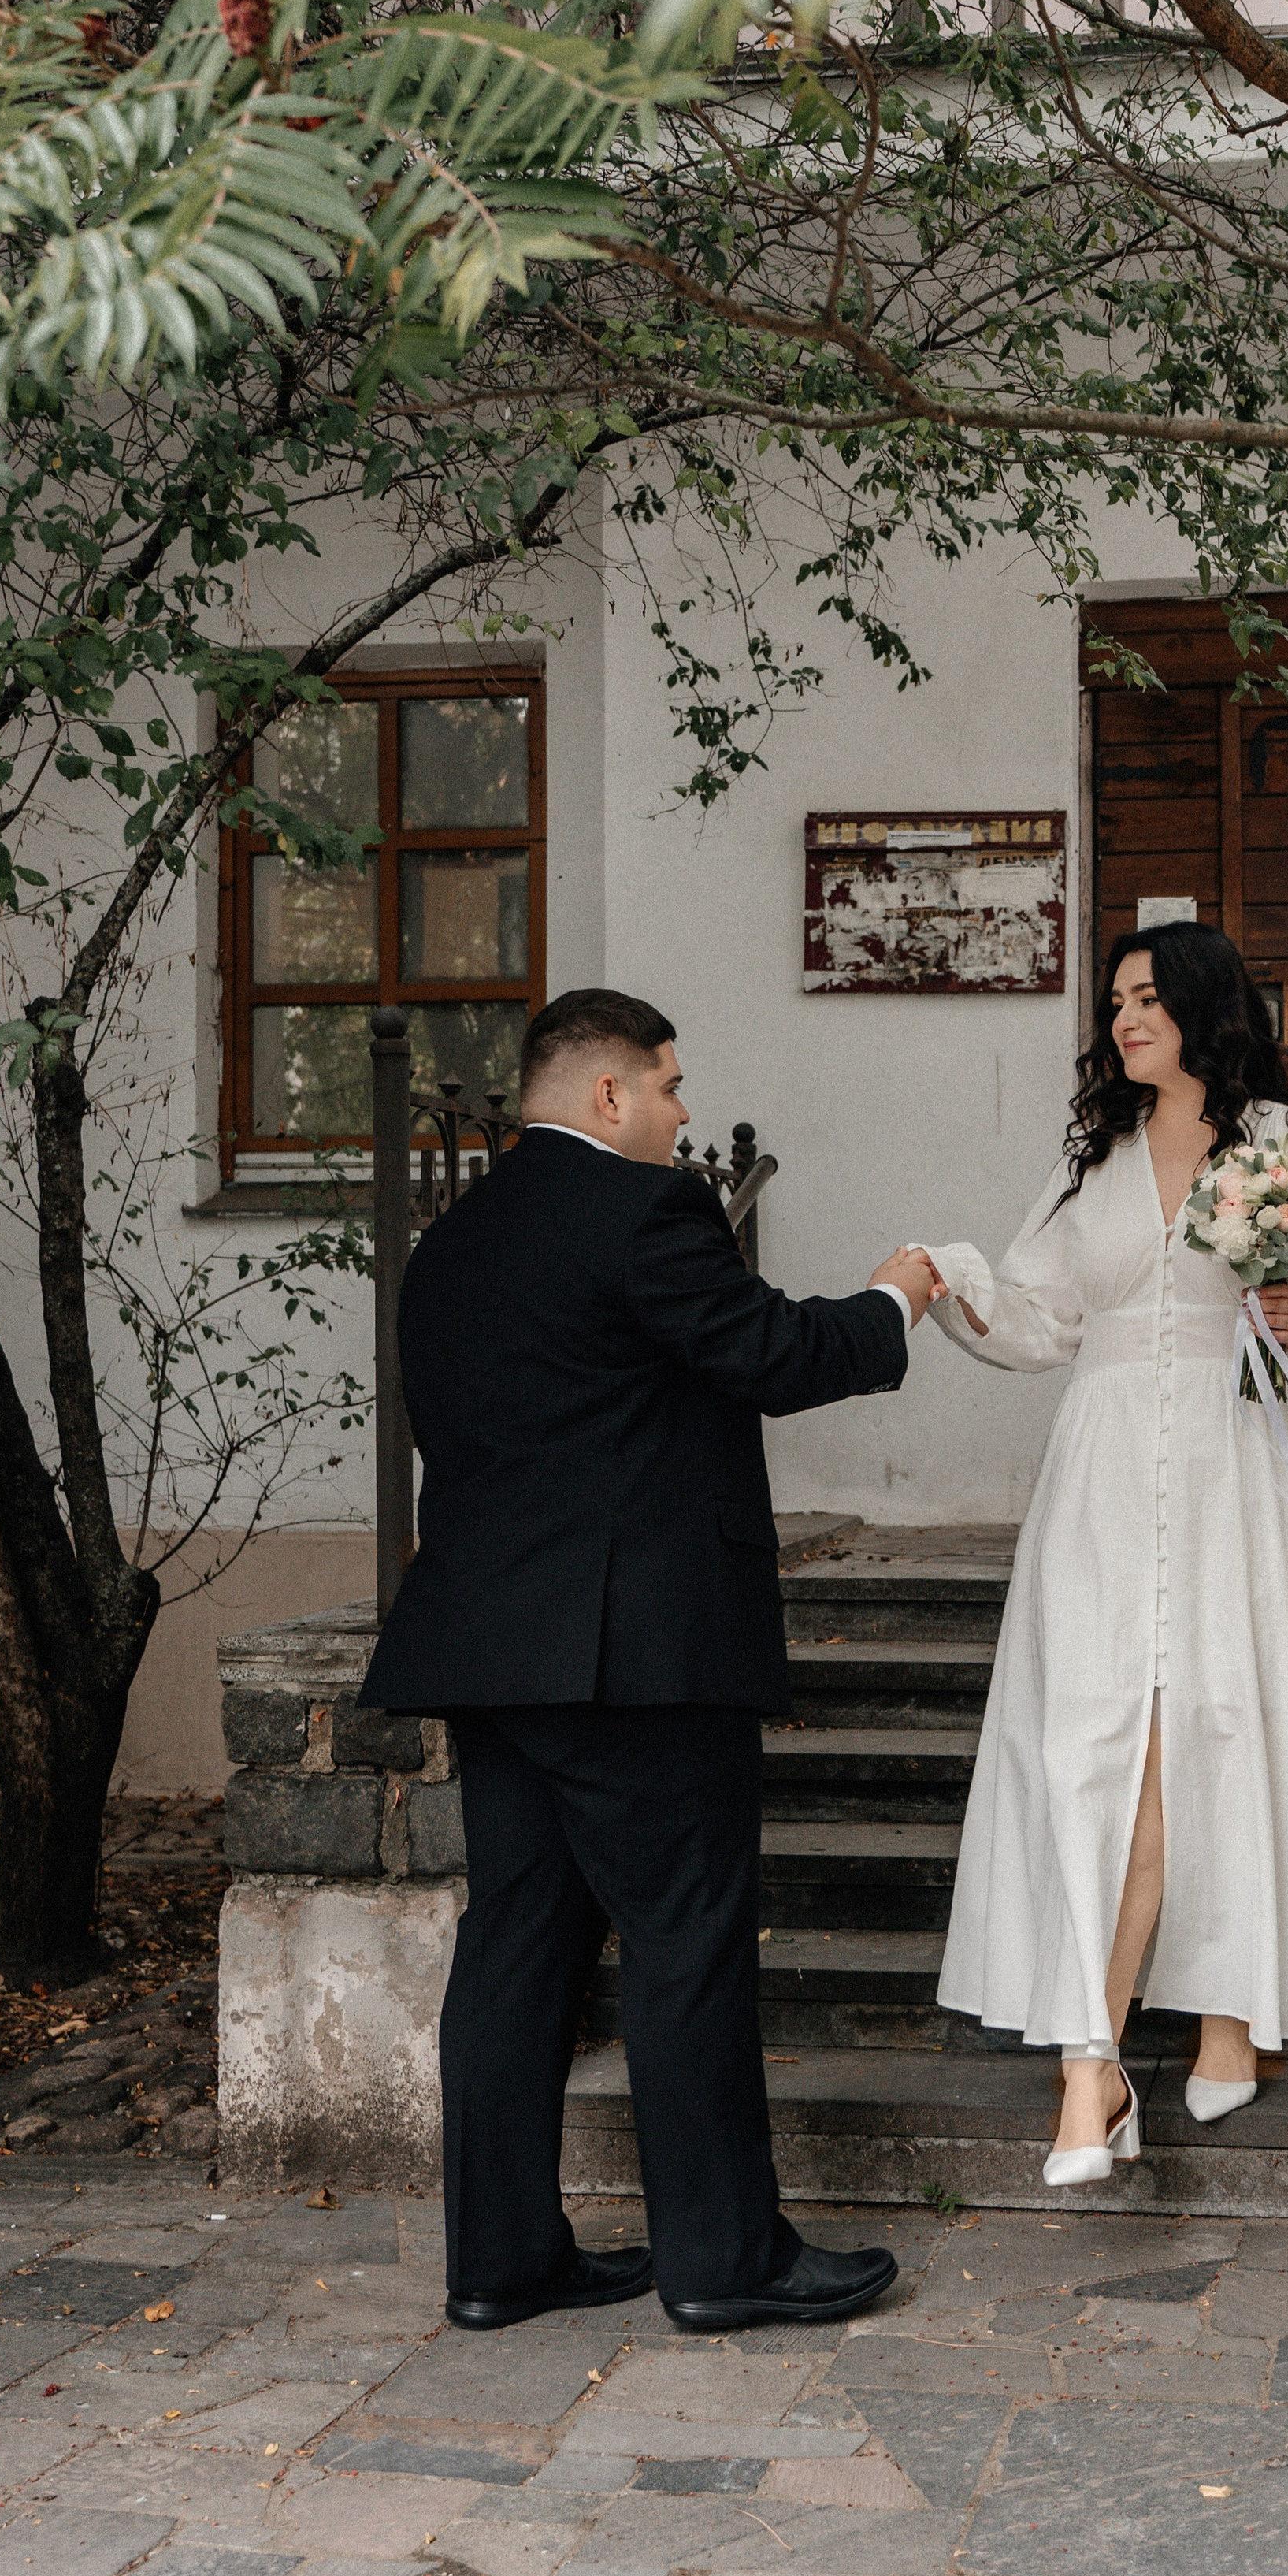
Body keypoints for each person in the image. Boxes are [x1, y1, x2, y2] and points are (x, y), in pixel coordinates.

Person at [362, 987, 942, 2330]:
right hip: (638, 1656)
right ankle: (727, 2262)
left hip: (490, 1646)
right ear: (609, 1093)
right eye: (671, 1086)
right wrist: (893, 1301)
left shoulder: (450, 1246)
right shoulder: (649, 1211)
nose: (685, 1113)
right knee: (687, 1939)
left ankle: (503, 2259)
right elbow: (774, 1355)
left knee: (516, 1948)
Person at [916, 922, 1288, 2183]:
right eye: (1116, 1000)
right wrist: (949, 1283)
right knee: (1106, 1745)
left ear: (1208, 1007)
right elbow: (1042, 1317)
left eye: (1150, 997)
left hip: (1251, 1471)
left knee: (1234, 1728)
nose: (1125, 1018)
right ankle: (1110, 2051)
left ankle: (1209, 2021)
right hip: (1107, 1482)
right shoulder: (1095, 1158)